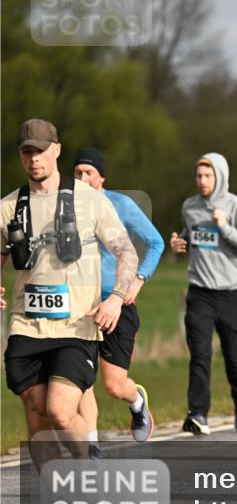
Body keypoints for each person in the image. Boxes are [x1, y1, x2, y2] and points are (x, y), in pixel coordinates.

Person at [2, 119, 138, 476]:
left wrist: (116, 298)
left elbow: (127, 253)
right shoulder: (9, 206)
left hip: (77, 327)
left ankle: (89, 469)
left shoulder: (90, 201)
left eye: (41, 151)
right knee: (37, 415)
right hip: (26, 326)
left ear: (56, 150)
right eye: (27, 152)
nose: (34, 160)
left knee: (61, 411)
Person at [73, 147, 162, 456]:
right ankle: (92, 445)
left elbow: (155, 242)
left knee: (113, 385)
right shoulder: (66, 208)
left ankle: (137, 402)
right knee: (81, 379)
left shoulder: (120, 205)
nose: (82, 179)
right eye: (77, 173)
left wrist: (137, 281)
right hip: (80, 305)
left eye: (89, 173)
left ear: (102, 178)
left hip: (117, 304)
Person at [170, 153, 237, 435]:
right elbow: (190, 234)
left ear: (220, 176)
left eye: (208, 176)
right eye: (199, 176)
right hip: (199, 292)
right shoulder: (190, 206)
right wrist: (179, 241)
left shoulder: (236, 205)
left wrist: (225, 227)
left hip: (230, 293)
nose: (202, 181)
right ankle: (197, 414)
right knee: (199, 353)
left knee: (233, 355)